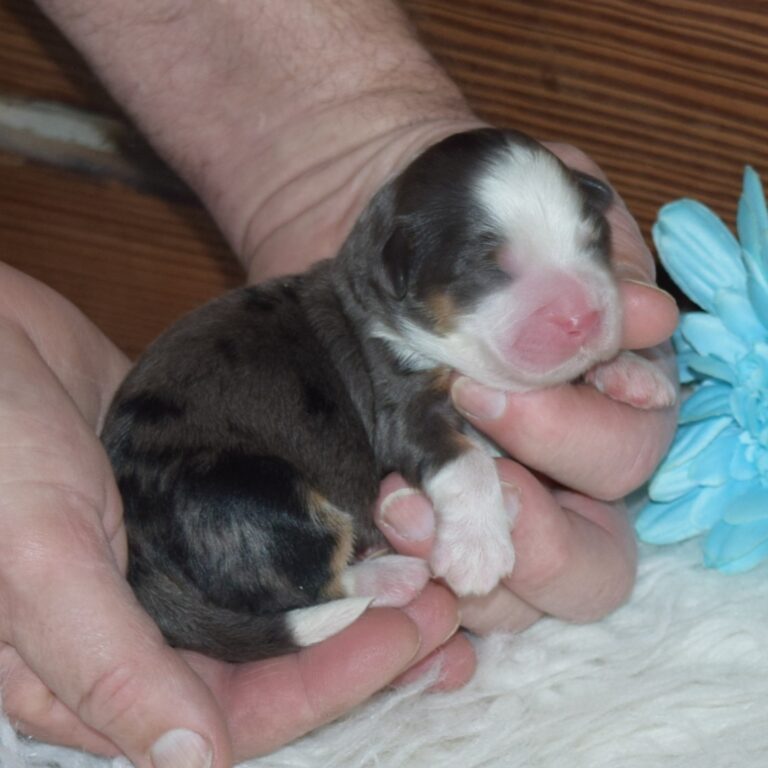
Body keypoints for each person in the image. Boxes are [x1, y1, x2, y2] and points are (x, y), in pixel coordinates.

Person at [0, 1, 679, 766]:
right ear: (401, 275)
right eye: (495, 268)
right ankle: (306, 595)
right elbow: (419, 434)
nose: (577, 304)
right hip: (215, 487)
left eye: (586, 244)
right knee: (267, 506)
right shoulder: (385, 342)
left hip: (220, 467)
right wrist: (472, 505)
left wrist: (613, 358)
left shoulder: (410, 314)